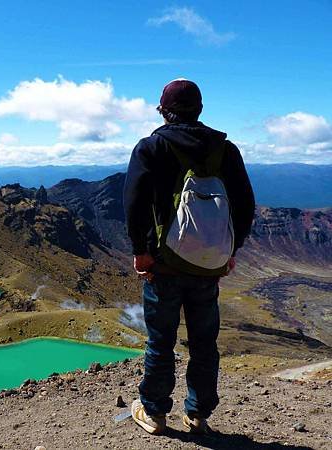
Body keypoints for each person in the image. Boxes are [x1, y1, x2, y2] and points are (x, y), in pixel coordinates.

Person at [123, 79, 255, 435]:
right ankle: (197, 415)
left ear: (163, 111)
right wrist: (230, 250)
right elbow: (244, 205)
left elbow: (134, 204)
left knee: (160, 340)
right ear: (199, 109)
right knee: (203, 342)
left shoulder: (150, 147)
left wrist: (140, 252)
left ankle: (153, 412)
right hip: (209, 266)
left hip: (163, 263)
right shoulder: (226, 150)